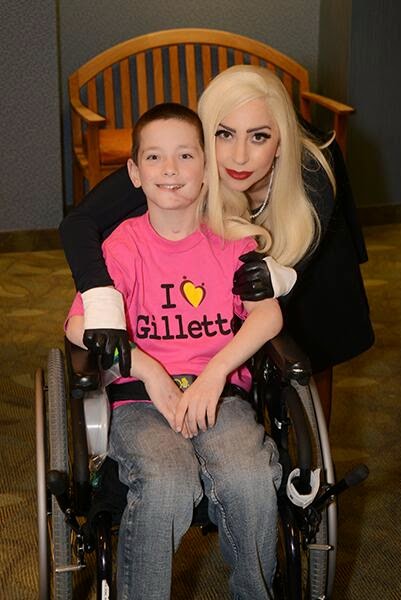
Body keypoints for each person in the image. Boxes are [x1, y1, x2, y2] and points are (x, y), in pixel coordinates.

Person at [60, 65, 374, 421]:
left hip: (311, 270)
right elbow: (78, 223)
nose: (239, 157)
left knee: (308, 363)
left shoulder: (314, 170)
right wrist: (101, 301)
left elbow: (287, 291)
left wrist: (284, 276)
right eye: (224, 134)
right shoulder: (179, 165)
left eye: (259, 137)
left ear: (281, 142)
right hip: (221, 288)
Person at [65, 103, 283, 599]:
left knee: (249, 478)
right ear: (134, 173)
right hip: (140, 400)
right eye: (155, 157)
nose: (170, 169)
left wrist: (216, 372)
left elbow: (267, 315)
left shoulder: (231, 241)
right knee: (166, 481)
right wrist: (148, 369)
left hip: (219, 395)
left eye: (185, 155)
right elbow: (79, 324)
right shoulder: (122, 247)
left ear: (207, 167)